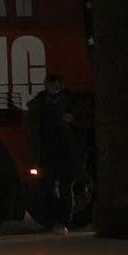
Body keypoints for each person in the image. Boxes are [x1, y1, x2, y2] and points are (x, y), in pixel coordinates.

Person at [27, 74, 91, 234]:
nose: (53, 89)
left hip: (65, 151)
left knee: (64, 187)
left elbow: (85, 123)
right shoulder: (43, 102)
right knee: (48, 187)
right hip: (50, 152)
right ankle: (56, 220)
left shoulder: (70, 102)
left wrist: (73, 120)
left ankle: (63, 221)